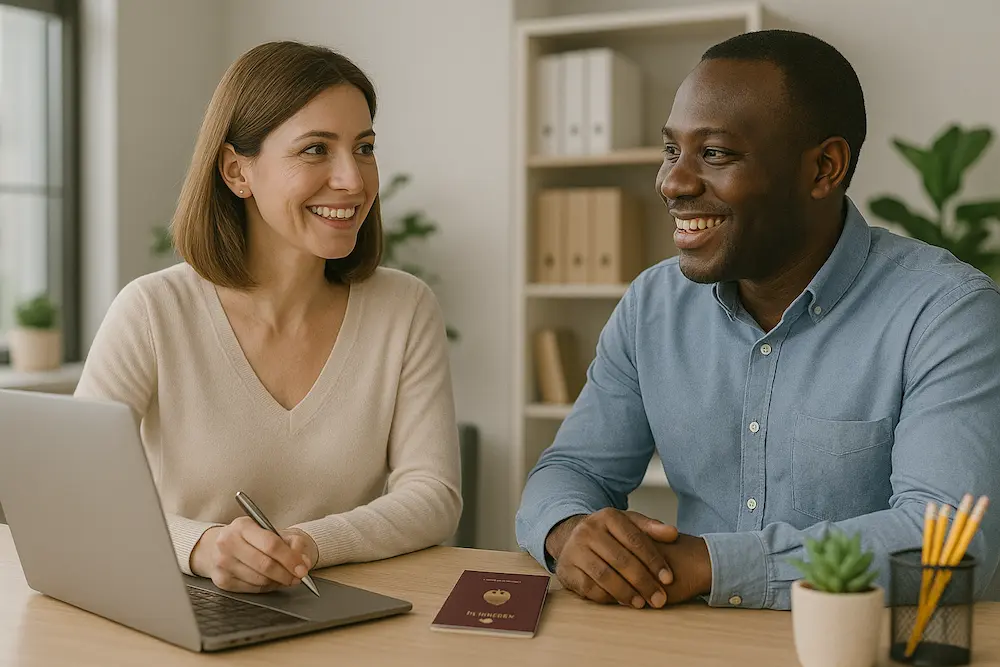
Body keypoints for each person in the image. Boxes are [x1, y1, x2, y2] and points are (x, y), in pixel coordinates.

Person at [515, 29, 1000, 611]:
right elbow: (570, 469)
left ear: (825, 168)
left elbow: (950, 539)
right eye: (672, 150)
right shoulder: (653, 304)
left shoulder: (946, 312)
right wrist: (570, 531)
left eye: (715, 154)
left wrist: (708, 563)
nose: (672, 182)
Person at [75, 41, 462, 594]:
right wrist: (202, 545)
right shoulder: (153, 311)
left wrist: (306, 544)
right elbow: (81, 491)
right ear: (237, 171)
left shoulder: (405, 308)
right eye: (314, 150)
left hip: (350, 617)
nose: (353, 180)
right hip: (184, 610)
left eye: (365, 147)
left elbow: (433, 495)